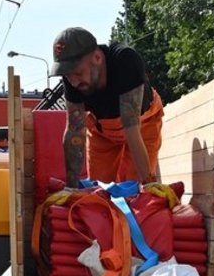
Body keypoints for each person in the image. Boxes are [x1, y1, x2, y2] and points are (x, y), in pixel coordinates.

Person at [50, 26, 163, 187]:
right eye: (68, 75)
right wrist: (71, 188)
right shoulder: (72, 80)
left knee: (136, 189)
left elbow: (131, 129)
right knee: (99, 189)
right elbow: (75, 131)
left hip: (143, 124)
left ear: (97, 57)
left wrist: (147, 183)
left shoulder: (125, 61)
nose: (74, 82)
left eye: (78, 73)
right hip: (103, 132)